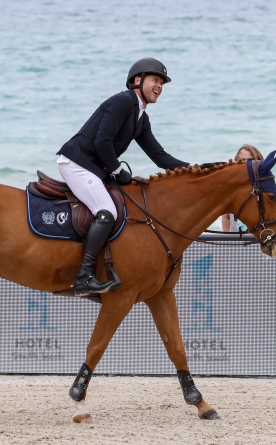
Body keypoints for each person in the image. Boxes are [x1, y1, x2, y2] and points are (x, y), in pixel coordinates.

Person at [57, 58, 190, 296]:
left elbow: (160, 157)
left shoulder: (141, 117)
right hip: (77, 163)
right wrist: (117, 170)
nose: (159, 86)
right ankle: (83, 277)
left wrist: (196, 168)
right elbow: (102, 141)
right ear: (137, 81)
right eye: (155, 80)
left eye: (162, 83)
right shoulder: (123, 101)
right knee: (107, 212)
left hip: (94, 168)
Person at [221, 144, 276, 232]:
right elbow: (227, 217)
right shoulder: (231, 189)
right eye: (242, 160)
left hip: (259, 244)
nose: (246, 164)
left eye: (251, 160)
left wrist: (268, 231)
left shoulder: (269, 188)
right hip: (235, 245)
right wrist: (227, 237)